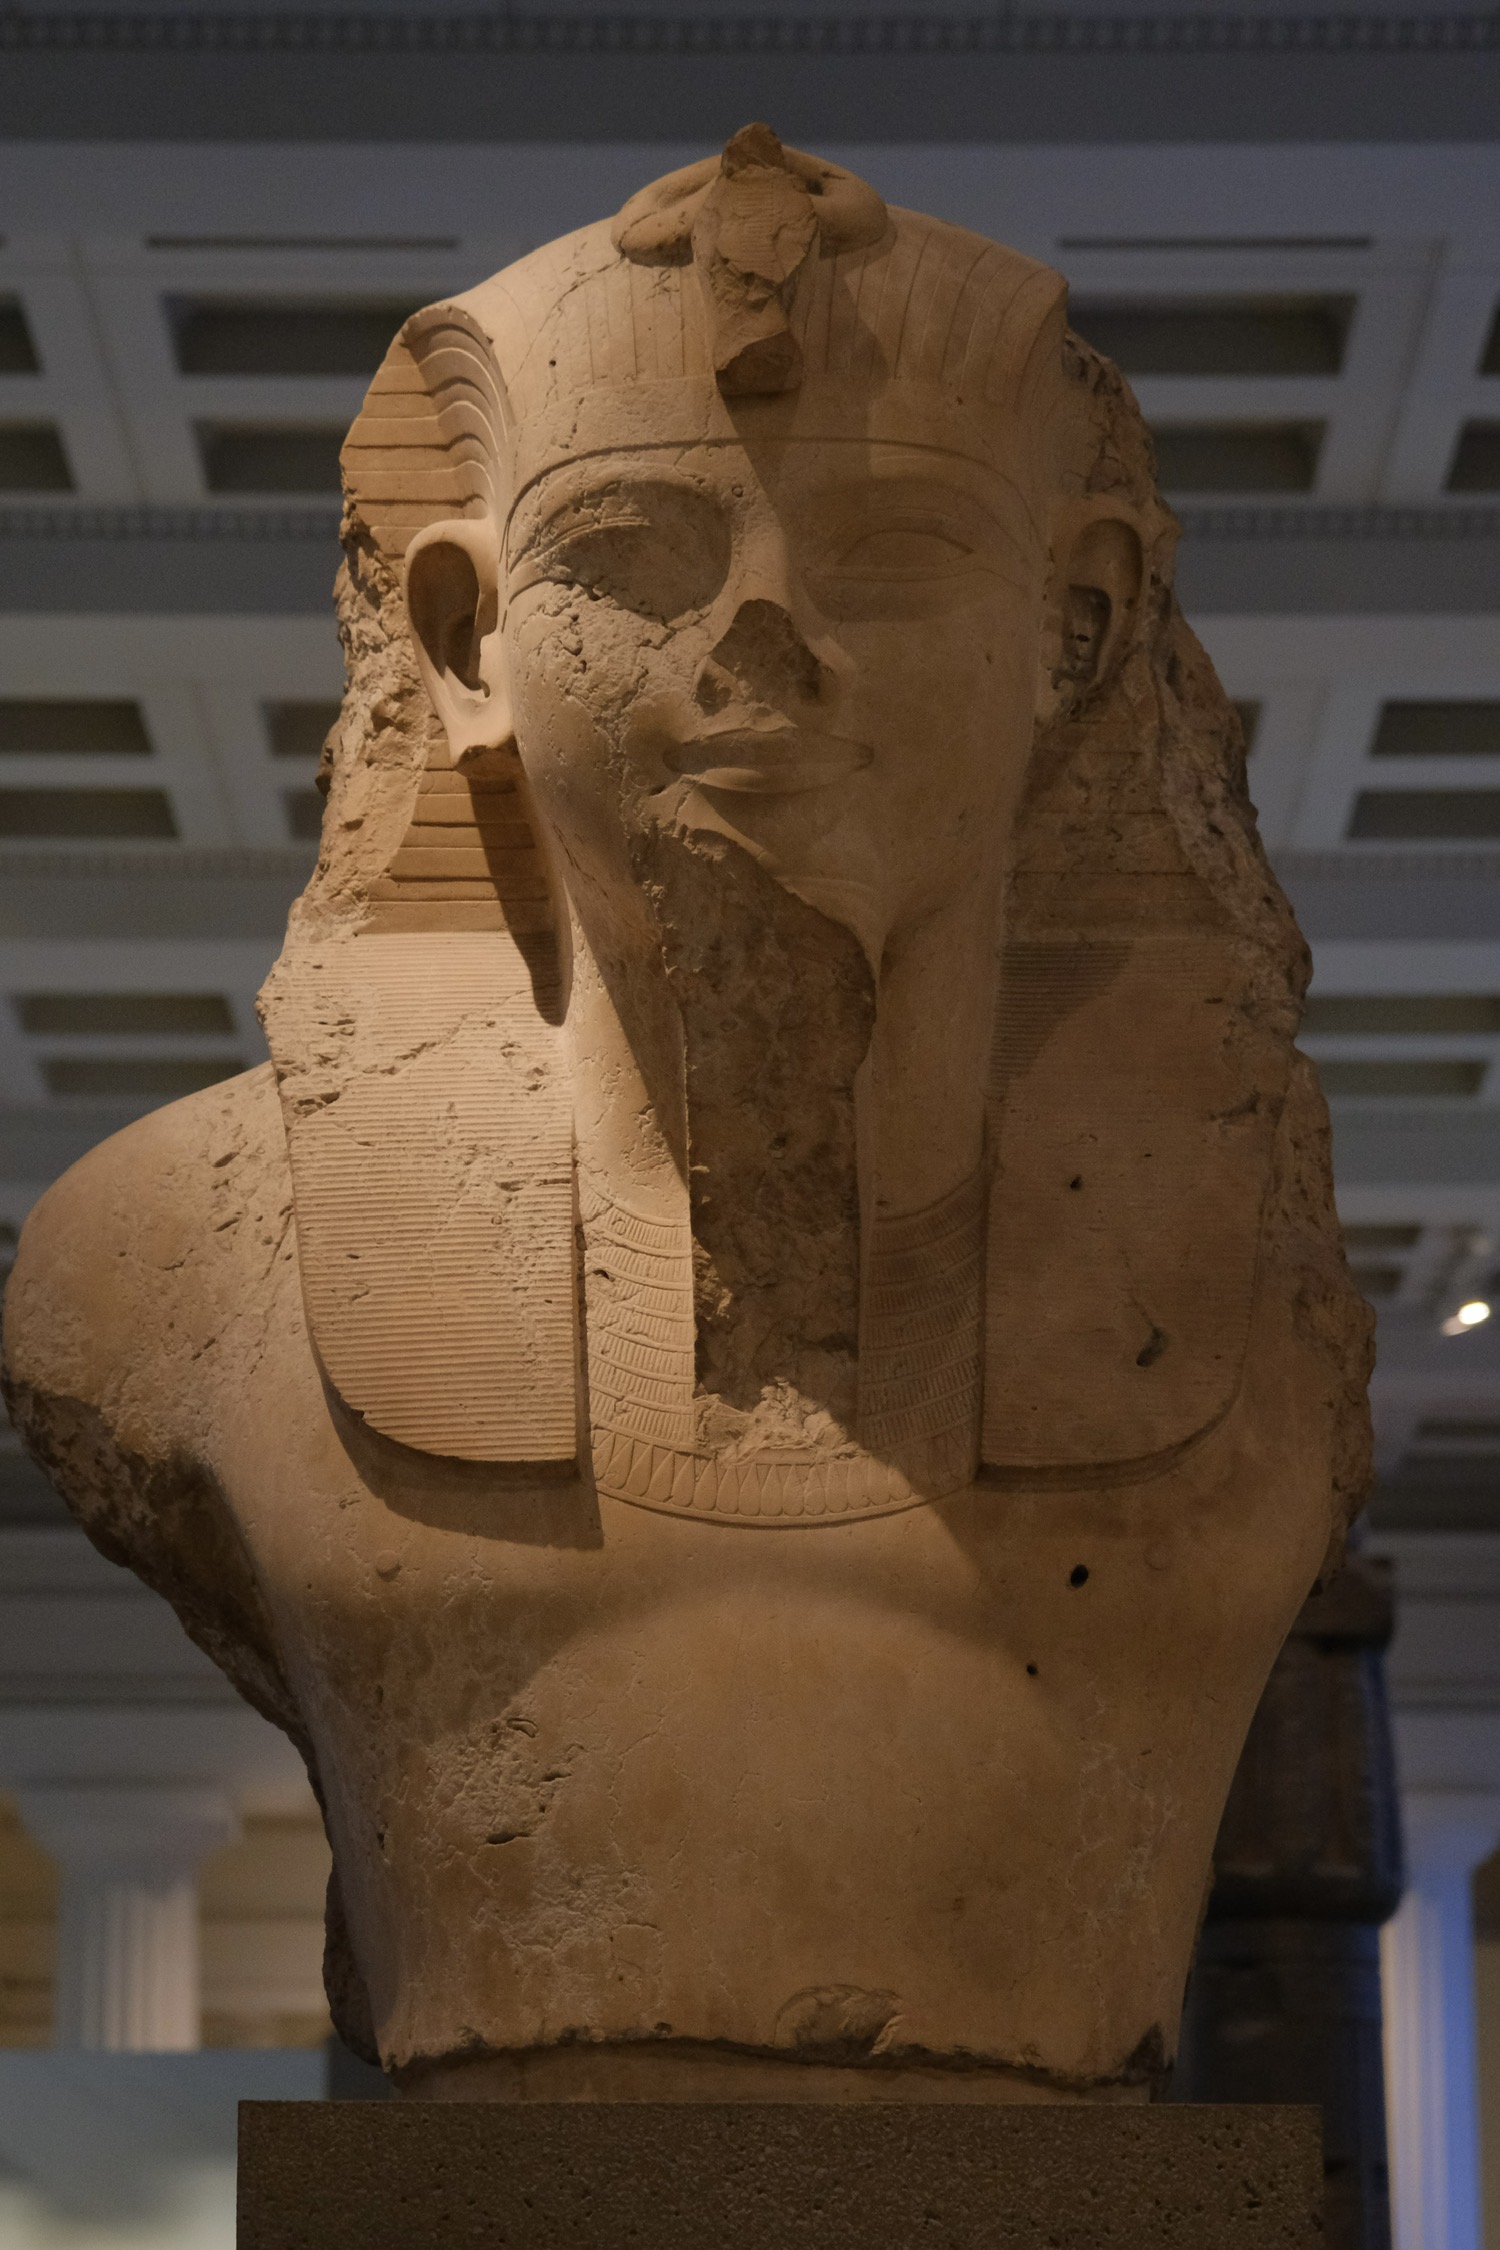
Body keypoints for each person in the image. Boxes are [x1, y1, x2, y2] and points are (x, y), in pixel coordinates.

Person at [3, 127, 1371, 2104]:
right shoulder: (163, 1264)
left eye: (888, 554)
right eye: (634, 556)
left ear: (1074, 636)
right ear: (468, 645)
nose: (760, 635)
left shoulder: (1258, 1319)